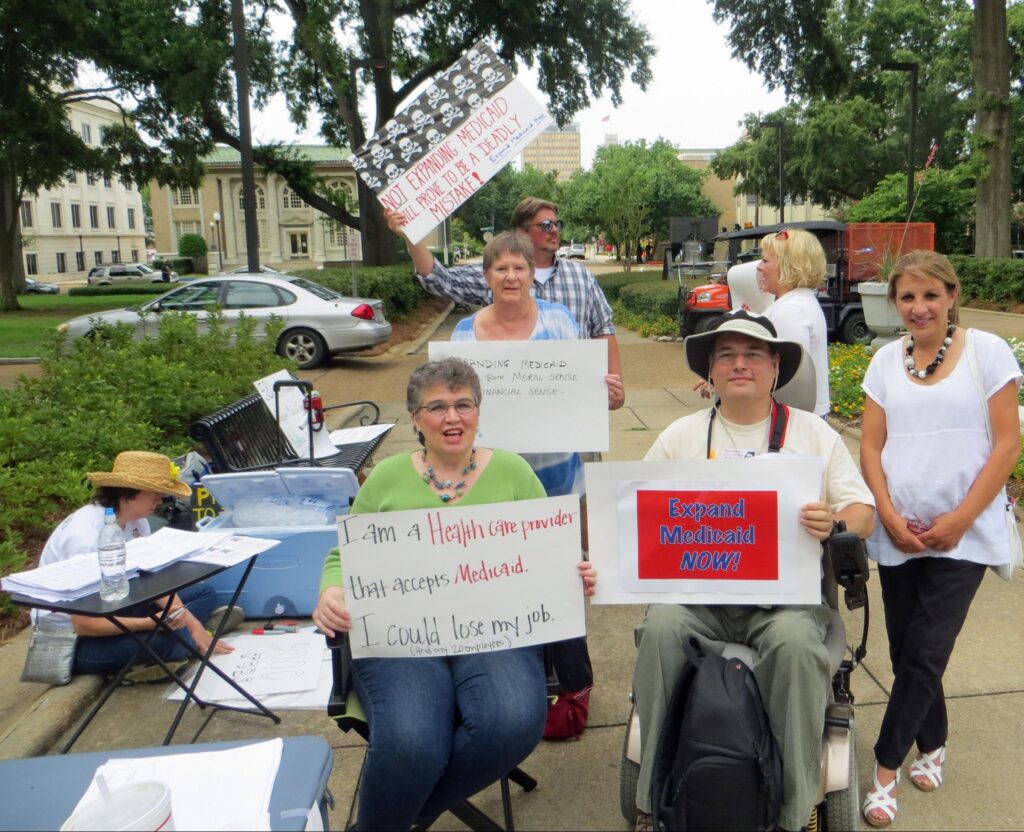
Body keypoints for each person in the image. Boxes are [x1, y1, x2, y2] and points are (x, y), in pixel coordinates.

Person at [313, 357, 597, 831]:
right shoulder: (385, 479)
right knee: (411, 741)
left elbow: (555, 551)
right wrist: (331, 592)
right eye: (437, 407)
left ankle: (389, 820)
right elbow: (342, 555)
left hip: (497, 632)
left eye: (463, 404)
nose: (452, 417)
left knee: (511, 723)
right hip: (399, 638)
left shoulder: (512, 472)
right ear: (416, 420)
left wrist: (577, 572)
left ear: (479, 412)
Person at [631, 310, 875, 832]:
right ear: (712, 372)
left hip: (784, 602)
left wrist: (833, 520)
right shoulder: (682, 435)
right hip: (698, 598)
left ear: (774, 368)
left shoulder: (812, 434)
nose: (739, 364)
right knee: (659, 629)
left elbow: (863, 513)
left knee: (795, 645)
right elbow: (633, 512)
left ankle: (795, 811)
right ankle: (654, 800)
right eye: (726, 356)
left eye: (753, 355)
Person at [859, 251, 1022, 827]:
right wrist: (888, 513)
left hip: (965, 533)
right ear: (894, 303)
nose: (919, 307)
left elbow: (1007, 444)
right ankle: (934, 743)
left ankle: (883, 771)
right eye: (907, 297)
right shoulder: (883, 360)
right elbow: (871, 447)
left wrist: (958, 519)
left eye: (930, 295)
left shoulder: (987, 352)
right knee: (909, 652)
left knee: (927, 650)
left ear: (951, 295)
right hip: (899, 531)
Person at [385, 197, 625, 410]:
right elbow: (439, 279)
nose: (554, 230)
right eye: (545, 225)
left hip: (570, 410)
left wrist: (614, 385)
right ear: (521, 232)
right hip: (509, 411)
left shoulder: (581, 276)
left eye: (556, 224)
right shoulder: (494, 277)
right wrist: (410, 236)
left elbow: (602, 329)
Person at [34, 451, 241, 682]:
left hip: (120, 604)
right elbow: (84, 623)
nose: (159, 501)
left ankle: (196, 635)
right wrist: (150, 623)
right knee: (170, 643)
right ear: (126, 496)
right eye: (153, 494)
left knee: (204, 593)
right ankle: (177, 647)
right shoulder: (84, 539)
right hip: (74, 639)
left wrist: (191, 625)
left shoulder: (137, 520)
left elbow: (153, 579)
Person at [449, 230, 623, 500]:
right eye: (501, 268)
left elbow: (580, 384)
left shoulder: (559, 319)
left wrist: (603, 393)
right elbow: (453, 401)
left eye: (519, 268)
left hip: (559, 476)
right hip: (490, 479)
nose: (511, 276)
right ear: (486, 276)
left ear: (531, 275)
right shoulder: (463, 333)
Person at [757, 227, 831, 417]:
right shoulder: (799, 302)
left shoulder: (790, 310)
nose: (759, 267)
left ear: (788, 266)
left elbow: (787, 377)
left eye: (765, 261)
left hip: (790, 419)